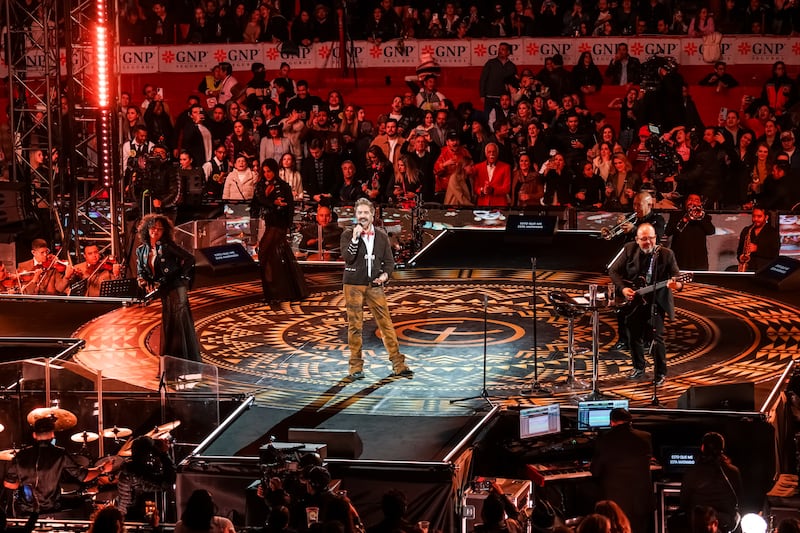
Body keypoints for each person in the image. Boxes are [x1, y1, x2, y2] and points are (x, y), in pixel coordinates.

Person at [340, 198, 413, 381]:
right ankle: (355, 367)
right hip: (353, 285)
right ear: (356, 216)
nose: (362, 216)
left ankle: (398, 364)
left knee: (386, 324)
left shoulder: (381, 236)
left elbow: (389, 262)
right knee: (355, 326)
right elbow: (348, 258)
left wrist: (385, 276)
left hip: (375, 285)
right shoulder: (348, 234)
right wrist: (356, 239)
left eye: (366, 213)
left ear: (372, 215)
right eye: (359, 213)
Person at [609, 223, 684, 385]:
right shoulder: (629, 249)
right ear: (636, 239)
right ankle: (638, 367)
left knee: (657, 338)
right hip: (634, 301)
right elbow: (613, 270)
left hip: (655, 303)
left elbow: (678, 280)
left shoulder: (666, 254)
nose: (648, 242)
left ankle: (660, 373)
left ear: (656, 238)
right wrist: (623, 289)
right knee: (634, 335)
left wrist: (675, 285)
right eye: (644, 239)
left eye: (651, 238)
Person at [4, 417, 112, 516]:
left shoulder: (21, 455)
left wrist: (23, 484)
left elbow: (9, 484)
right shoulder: (59, 454)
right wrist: (102, 468)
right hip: (51, 510)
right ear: (52, 435)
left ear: (34, 435)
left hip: (24, 511)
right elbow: (83, 476)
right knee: (84, 502)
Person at [136, 214, 201, 362]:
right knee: (169, 323)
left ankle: (185, 361)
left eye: (160, 229)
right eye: (153, 228)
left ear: (165, 231)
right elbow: (141, 272)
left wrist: (180, 275)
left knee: (178, 323)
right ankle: (172, 362)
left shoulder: (168, 246)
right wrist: (145, 283)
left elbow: (190, 259)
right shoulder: (141, 250)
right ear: (147, 229)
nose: (156, 231)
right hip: (165, 289)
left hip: (176, 288)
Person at [252, 159, 308, 305]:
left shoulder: (283, 186)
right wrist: (273, 204)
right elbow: (258, 202)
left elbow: (289, 208)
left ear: (275, 171)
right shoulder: (259, 186)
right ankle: (275, 292)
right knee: (272, 257)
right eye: (264, 172)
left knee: (264, 252)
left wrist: (287, 226)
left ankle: (277, 291)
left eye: (269, 171)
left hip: (279, 225)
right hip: (268, 224)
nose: (266, 174)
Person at [590, 408, 653, 533]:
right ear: (630, 421)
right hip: (642, 501)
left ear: (612, 422)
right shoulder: (646, 437)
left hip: (617, 504)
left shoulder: (605, 440)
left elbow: (595, 471)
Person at [680, 432, 743, 533]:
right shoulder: (733, 471)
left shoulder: (691, 472)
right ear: (722, 449)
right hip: (726, 523)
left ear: (702, 448)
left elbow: (683, 502)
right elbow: (739, 499)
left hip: (699, 522)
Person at [116, 436, 176, 521]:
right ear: (146, 453)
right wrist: (164, 454)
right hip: (133, 521)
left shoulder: (130, 468)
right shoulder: (137, 473)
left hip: (127, 517)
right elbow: (167, 482)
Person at [665, 194, 715, 271]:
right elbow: (668, 232)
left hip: (699, 260)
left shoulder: (705, 217)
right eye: (690, 199)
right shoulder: (676, 215)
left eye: (696, 200)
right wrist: (685, 219)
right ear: (686, 202)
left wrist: (700, 217)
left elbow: (711, 231)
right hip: (680, 258)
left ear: (700, 204)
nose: (693, 202)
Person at [736, 206, 780, 272]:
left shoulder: (772, 232)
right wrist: (741, 258)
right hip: (748, 268)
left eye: (759, 216)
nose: (755, 219)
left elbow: (774, 254)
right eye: (754, 216)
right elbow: (739, 251)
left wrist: (757, 249)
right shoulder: (746, 230)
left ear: (766, 217)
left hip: (765, 269)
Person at [479, 42, 517, 117]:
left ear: (508, 52)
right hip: (490, 97)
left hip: (504, 99)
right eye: (499, 49)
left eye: (503, 49)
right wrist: (482, 95)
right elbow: (483, 79)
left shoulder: (512, 66)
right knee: (487, 117)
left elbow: (513, 83)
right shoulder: (491, 63)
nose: (500, 51)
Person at [473, 143, 511, 207]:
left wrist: (493, 190)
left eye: (494, 152)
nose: (492, 154)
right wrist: (482, 190)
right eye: (489, 152)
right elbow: (476, 187)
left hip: (499, 205)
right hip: (483, 204)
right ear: (485, 154)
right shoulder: (478, 167)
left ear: (497, 153)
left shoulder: (506, 167)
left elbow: (506, 189)